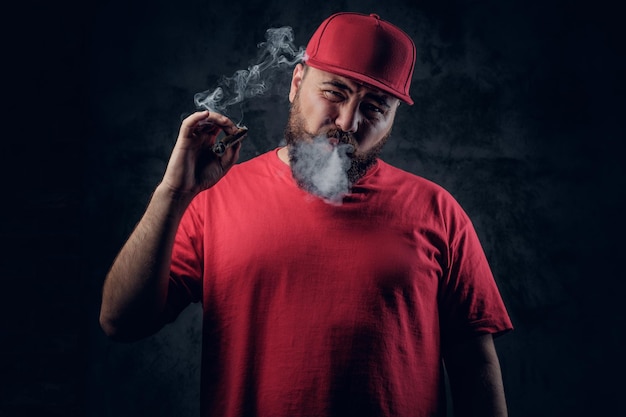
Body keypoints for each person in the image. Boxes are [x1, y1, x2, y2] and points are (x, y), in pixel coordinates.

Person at [100, 12, 513, 417]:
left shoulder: (437, 211)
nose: (348, 122)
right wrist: (172, 194)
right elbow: (122, 322)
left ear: (393, 118)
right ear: (297, 83)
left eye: (375, 108)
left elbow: (474, 364)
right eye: (334, 93)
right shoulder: (214, 197)